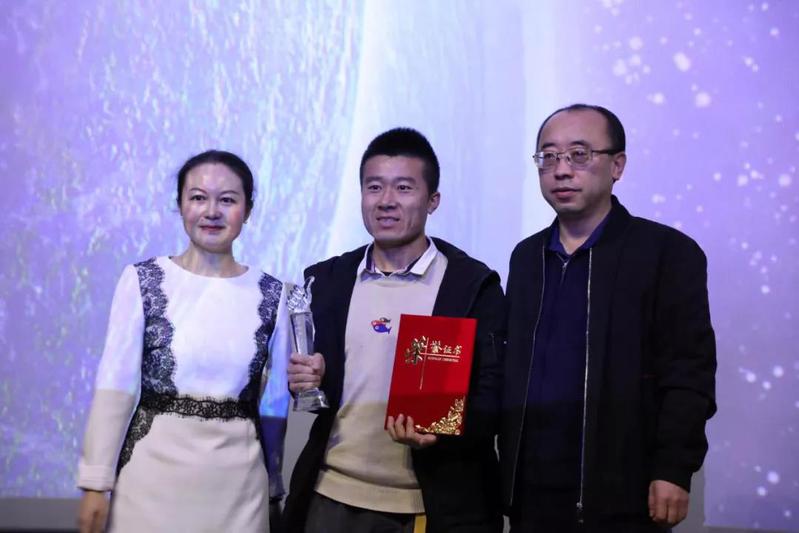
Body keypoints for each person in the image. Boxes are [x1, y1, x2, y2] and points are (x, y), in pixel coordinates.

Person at [500, 104, 717, 532]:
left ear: (617, 165)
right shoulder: (527, 258)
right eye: (549, 156)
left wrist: (673, 467)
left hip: (624, 493)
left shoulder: (667, 254)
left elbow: (689, 372)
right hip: (531, 493)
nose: (562, 170)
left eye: (579, 155)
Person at [283, 128, 504, 533]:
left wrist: (442, 431)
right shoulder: (329, 280)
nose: (386, 200)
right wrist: (310, 379)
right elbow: (318, 388)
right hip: (330, 495)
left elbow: (491, 394)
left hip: (428, 504)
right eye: (374, 187)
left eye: (404, 188)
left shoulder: (470, 285)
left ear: (433, 200)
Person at [76, 150, 291, 533]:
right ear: (180, 205)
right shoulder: (143, 280)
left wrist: (274, 486)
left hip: (239, 492)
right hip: (149, 484)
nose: (212, 211)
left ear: (248, 209)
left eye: (227, 200)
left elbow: (275, 404)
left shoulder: (273, 295)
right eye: (198, 198)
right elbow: (115, 385)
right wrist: (95, 483)